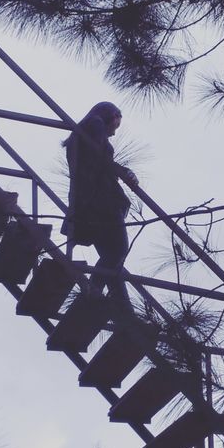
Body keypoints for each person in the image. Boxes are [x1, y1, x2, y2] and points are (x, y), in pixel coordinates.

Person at [62, 101, 139, 307]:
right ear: (110, 116)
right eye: (116, 125)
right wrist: (123, 172)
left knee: (112, 260)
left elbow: (96, 162)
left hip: (90, 205)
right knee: (119, 251)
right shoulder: (94, 123)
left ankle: (125, 313)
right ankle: (92, 292)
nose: (113, 133)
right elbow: (100, 161)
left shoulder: (84, 132)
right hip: (102, 203)